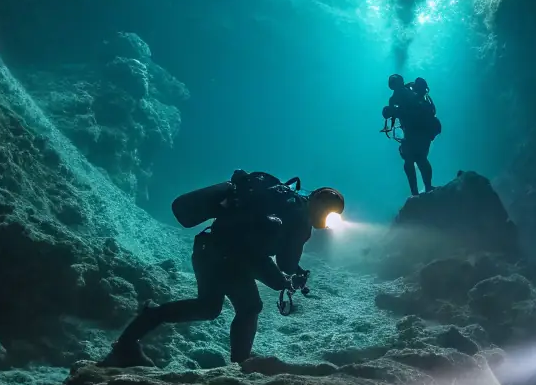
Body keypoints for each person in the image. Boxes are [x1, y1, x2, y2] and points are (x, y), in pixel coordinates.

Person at [104, 171, 345, 368]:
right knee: (249, 307)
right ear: (319, 206)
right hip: (228, 259)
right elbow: (284, 263)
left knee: (208, 307)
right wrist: (295, 275)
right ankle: (242, 365)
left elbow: (258, 255)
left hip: (208, 247)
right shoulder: (299, 219)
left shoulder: (280, 197)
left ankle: (130, 339)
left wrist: (280, 278)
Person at [381, 73, 440, 196]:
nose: (395, 87)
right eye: (393, 84)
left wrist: (396, 111)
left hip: (420, 130)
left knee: (418, 159)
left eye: (396, 83)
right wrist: (391, 112)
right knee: (412, 160)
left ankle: (425, 188)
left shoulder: (410, 92)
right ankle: (417, 191)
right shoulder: (396, 98)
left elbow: (416, 108)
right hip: (412, 132)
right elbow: (397, 115)